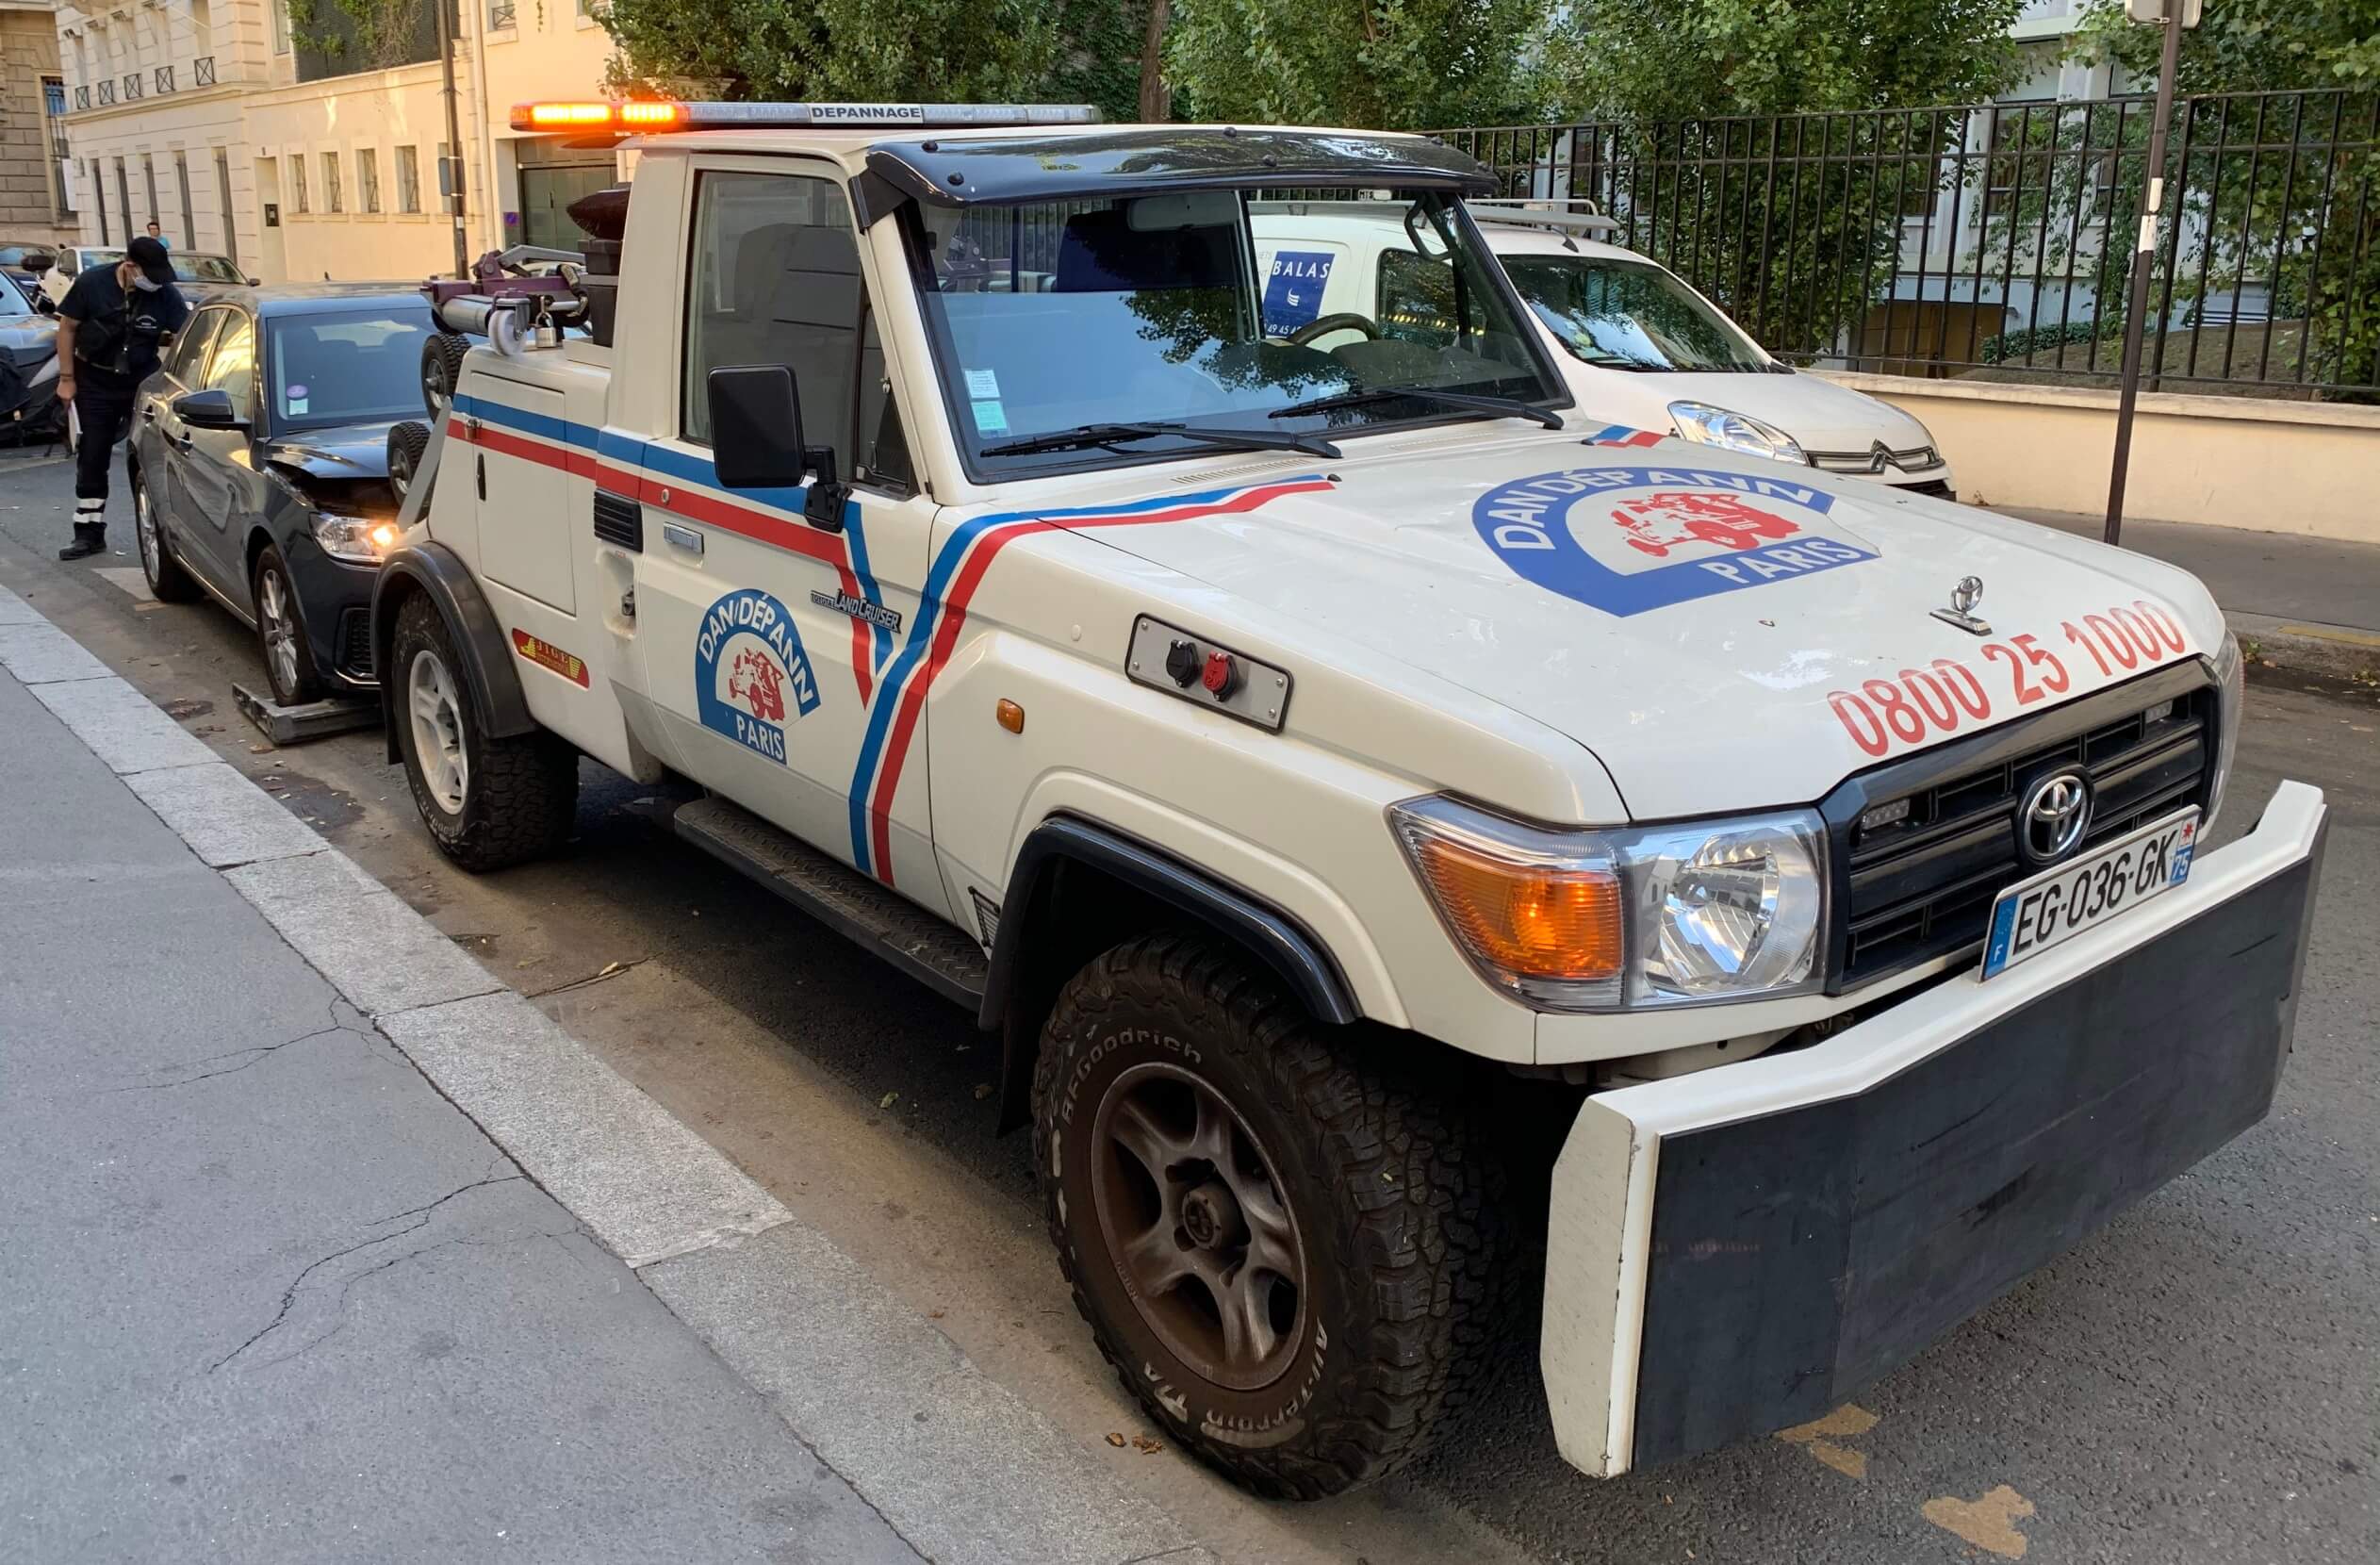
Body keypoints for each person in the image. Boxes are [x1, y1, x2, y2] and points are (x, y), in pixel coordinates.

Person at [54, 236, 188, 561]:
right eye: (149, 275)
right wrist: (67, 379)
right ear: (130, 267)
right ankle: (88, 532)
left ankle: (165, 530)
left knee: (152, 452)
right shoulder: (92, 283)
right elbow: (68, 328)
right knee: (93, 455)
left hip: (141, 379)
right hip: (95, 379)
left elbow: (186, 335)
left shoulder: (164, 293)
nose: (155, 282)